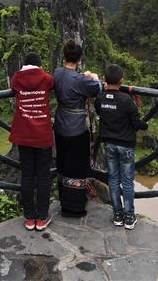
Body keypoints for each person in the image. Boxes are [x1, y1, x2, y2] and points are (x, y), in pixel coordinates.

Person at [52, 39, 103, 217]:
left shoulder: (57, 73)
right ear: (79, 58)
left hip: (59, 124)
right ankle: (75, 206)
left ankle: (64, 201)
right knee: (77, 166)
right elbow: (98, 89)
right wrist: (94, 77)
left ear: (65, 56)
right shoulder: (81, 80)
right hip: (76, 128)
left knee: (63, 163)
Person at [95, 64, 148, 230]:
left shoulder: (100, 98)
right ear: (121, 80)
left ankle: (117, 214)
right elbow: (136, 123)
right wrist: (145, 125)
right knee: (127, 182)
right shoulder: (127, 101)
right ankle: (129, 216)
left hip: (109, 144)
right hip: (126, 146)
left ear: (104, 79)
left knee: (113, 179)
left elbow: (100, 111)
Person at [8, 51, 56, 231]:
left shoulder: (17, 78)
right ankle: (42, 218)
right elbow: (52, 81)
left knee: (27, 176)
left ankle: (30, 218)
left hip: (23, 134)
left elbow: (14, 86)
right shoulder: (46, 78)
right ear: (39, 65)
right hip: (42, 134)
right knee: (43, 177)